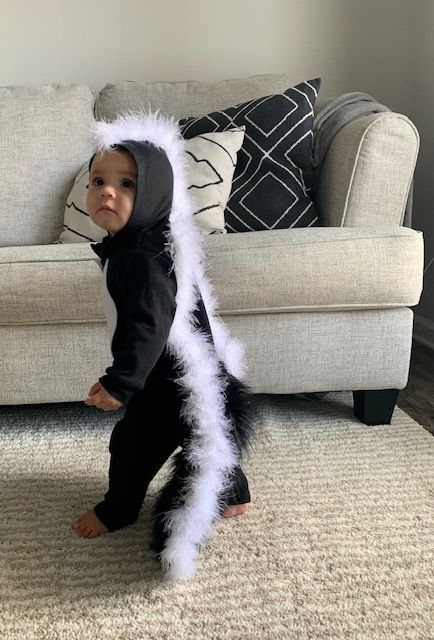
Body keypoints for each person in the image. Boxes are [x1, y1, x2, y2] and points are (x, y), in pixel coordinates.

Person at [71, 112, 254, 580]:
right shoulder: (136, 244)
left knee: (131, 445)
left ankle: (118, 510)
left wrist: (121, 384)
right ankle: (234, 494)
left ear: (154, 194)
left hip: (173, 385)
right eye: (98, 180)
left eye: (127, 184)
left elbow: (149, 328)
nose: (107, 191)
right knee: (207, 438)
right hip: (186, 377)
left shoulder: (146, 259)